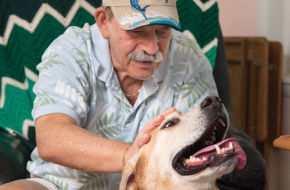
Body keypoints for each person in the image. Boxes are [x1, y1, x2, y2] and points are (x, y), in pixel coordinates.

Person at [0, 0, 266, 189]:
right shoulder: (71, 51)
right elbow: (52, 139)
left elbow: (193, 151)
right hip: (61, 184)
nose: (152, 48)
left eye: (162, 32)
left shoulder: (188, 57)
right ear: (104, 22)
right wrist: (136, 156)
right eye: (137, 32)